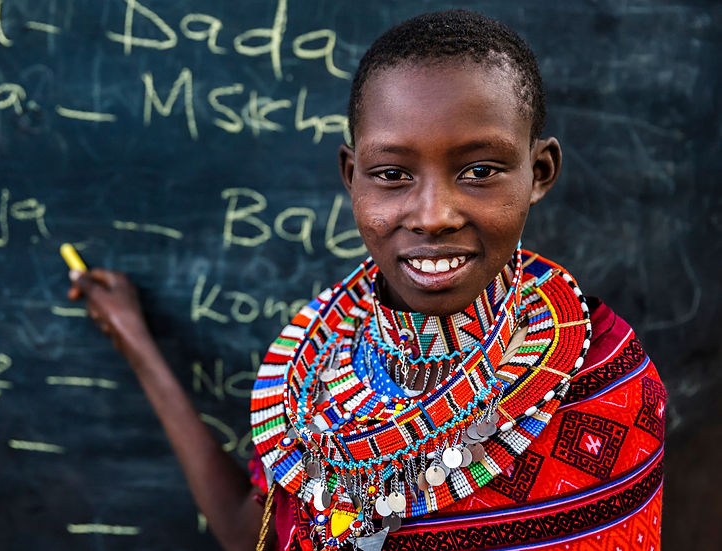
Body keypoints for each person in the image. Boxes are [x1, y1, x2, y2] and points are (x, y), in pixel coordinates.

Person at [68, 10, 665, 551]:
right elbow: (248, 530)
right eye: (392, 174)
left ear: (539, 172)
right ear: (352, 176)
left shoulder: (605, 385)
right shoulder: (316, 364)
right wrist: (139, 345)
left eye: (480, 171)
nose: (433, 214)